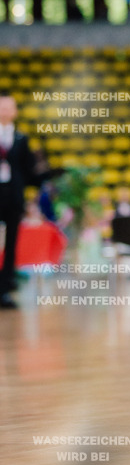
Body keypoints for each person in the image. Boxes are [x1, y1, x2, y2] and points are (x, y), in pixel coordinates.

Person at [0, 93, 38, 309]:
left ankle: (5, 288)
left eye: (8, 108)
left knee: (11, 244)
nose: (5, 111)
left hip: (13, 198)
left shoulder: (21, 139)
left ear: (14, 111)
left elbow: (29, 172)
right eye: (2, 107)